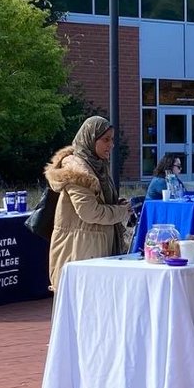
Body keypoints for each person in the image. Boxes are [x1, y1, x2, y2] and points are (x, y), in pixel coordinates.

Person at [43, 116, 131, 291]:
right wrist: (121, 212)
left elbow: (99, 202)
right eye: (105, 140)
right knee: (80, 309)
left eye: (112, 139)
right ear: (90, 138)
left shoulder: (97, 166)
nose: (111, 145)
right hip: (80, 250)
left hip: (95, 247)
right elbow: (89, 212)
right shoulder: (77, 170)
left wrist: (117, 204)